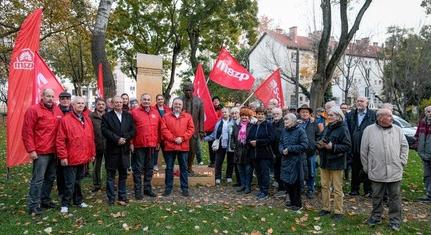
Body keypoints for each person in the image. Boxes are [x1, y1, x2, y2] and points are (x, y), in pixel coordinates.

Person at [361, 108, 409, 231]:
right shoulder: (369, 130)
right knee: (377, 196)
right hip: (376, 170)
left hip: (395, 169)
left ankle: (395, 220)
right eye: (388, 116)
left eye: (391, 116)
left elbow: (405, 146)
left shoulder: (398, 130)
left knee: (395, 197)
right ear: (380, 118)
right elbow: (363, 151)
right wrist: (367, 167)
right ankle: (376, 217)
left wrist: (402, 161)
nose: (391, 118)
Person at [22, 89, 63, 216]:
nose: (50, 98)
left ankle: (45, 200)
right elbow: (27, 132)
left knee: (50, 178)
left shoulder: (57, 110)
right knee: (38, 179)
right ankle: (33, 205)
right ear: (42, 96)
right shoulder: (33, 110)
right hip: (40, 151)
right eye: (48, 96)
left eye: (52, 96)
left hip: (53, 151)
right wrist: (31, 150)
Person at [56, 96, 95, 213]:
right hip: (70, 157)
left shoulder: (87, 119)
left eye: (83, 103)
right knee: (69, 183)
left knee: (78, 181)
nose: (81, 105)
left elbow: (91, 138)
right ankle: (65, 203)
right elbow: (60, 140)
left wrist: (92, 153)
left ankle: (78, 201)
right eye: (78, 103)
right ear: (72, 105)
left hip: (83, 157)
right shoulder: (65, 120)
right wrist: (63, 156)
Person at [317, 107, 351, 221]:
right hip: (325, 160)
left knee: (337, 188)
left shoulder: (343, 128)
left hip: (337, 161)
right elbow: (322, 139)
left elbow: (347, 146)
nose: (330, 117)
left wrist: (333, 147)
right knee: (325, 186)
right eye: (329, 115)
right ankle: (326, 208)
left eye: (332, 115)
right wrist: (320, 144)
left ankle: (338, 211)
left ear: (339, 116)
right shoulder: (327, 127)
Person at [101, 96, 136, 205]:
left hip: (124, 150)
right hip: (112, 150)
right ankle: (111, 198)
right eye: (116, 102)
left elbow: (133, 130)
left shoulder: (128, 116)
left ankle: (122, 196)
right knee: (111, 175)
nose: (119, 104)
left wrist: (125, 138)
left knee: (123, 174)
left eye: (120, 102)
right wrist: (117, 139)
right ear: (112, 103)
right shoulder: (106, 116)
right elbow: (104, 130)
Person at [160, 98, 195, 197]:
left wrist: (182, 138)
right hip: (170, 146)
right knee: (169, 168)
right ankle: (168, 188)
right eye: (176, 104)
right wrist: (173, 138)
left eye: (179, 104)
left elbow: (191, 129)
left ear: (182, 106)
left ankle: (184, 188)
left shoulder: (188, 116)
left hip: (183, 146)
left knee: (183, 168)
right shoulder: (166, 116)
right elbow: (164, 129)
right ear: (172, 105)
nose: (177, 106)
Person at [130, 93, 160, 199]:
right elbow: (130, 129)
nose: (146, 101)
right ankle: (138, 191)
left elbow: (158, 129)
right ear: (141, 100)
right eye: (144, 99)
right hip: (139, 145)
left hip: (152, 145)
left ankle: (147, 189)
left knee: (149, 168)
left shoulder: (155, 113)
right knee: (137, 169)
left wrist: (158, 142)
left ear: (150, 101)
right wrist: (131, 143)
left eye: (148, 99)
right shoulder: (134, 112)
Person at [346, 96, 376, 197]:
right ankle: (355, 189)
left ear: (367, 103)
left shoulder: (373, 115)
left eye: (362, 101)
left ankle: (368, 190)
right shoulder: (350, 115)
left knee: (367, 168)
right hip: (354, 146)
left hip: (368, 147)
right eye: (358, 101)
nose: (359, 103)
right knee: (355, 168)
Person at [279, 113, 308, 212]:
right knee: (287, 182)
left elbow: (304, 145)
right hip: (286, 160)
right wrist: (281, 149)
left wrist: (290, 149)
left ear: (293, 121)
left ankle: (298, 204)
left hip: (296, 161)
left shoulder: (300, 131)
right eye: (284, 120)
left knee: (295, 183)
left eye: (286, 120)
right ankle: (291, 201)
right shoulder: (284, 131)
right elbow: (281, 142)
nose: (285, 122)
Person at [248, 107, 275, 200]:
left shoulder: (268, 125)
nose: (260, 116)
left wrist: (258, 142)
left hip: (265, 154)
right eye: (259, 114)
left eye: (262, 114)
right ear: (256, 114)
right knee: (258, 172)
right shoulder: (253, 125)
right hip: (254, 153)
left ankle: (265, 191)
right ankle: (261, 189)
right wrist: (250, 142)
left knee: (264, 173)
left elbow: (271, 139)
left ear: (265, 115)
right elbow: (249, 137)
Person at [205, 108, 234, 184]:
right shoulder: (218, 123)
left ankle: (229, 176)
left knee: (230, 161)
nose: (224, 113)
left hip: (230, 145)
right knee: (218, 161)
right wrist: (205, 138)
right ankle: (218, 177)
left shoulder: (233, 122)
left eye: (225, 112)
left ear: (229, 113)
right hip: (220, 144)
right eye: (222, 112)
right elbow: (214, 135)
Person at [297, 104, 320, 199]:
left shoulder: (314, 123)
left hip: (311, 152)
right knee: (300, 171)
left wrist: (315, 145)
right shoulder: (297, 123)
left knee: (311, 171)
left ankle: (310, 189)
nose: (305, 113)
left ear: (310, 113)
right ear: (299, 113)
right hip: (299, 152)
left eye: (306, 112)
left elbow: (318, 136)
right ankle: (301, 188)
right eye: (303, 112)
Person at [181, 83, 204, 173]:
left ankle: (189, 167)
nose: (188, 92)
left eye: (190, 90)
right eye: (186, 90)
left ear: (193, 90)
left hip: (193, 130)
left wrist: (201, 130)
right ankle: (183, 166)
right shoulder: (179, 100)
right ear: (183, 91)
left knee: (192, 149)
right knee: (182, 150)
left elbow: (201, 118)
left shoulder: (199, 101)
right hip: (181, 130)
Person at [231, 108, 253, 193]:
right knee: (240, 170)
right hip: (238, 152)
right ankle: (243, 185)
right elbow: (232, 137)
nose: (244, 117)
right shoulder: (237, 126)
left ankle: (248, 186)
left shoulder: (252, 126)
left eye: (246, 116)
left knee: (248, 170)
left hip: (247, 151)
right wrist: (232, 145)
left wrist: (248, 143)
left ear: (249, 117)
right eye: (243, 115)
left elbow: (253, 137)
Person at [56, 91, 72, 200]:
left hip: (71, 145)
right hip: (58, 144)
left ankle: (70, 191)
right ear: (60, 100)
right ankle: (61, 191)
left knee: (70, 170)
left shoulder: (73, 111)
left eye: (67, 98)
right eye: (63, 98)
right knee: (59, 171)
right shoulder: (55, 111)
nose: (65, 100)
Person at [89, 98, 106, 192]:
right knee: (96, 167)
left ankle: (109, 183)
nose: (101, 106)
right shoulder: (90, 116)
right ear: (96, 105)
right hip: (96, 145)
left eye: (103, 104)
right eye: (99, 104)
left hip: (108, 146)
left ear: (105, 106)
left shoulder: (109, 115)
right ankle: (96, 184)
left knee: (109, 167)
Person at [415, 105, 431, 202]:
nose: (430, 113)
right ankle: (429, 194)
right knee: (427, 175)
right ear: (425, 113)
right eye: (428, 112)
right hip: (424, 154)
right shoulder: (422, 123)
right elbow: (417, 136)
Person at [153, 94, 171, 171]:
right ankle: (154, 164)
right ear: (156, 100)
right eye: (158, 99)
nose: (160, 100)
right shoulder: (153, 109)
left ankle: (168, 164)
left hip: (165, 132)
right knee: (156, 150)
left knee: (166, 149)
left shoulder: (168, 109)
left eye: (161, 99)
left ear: (164, 100)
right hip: (156, 132)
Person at [271, 108, 286, 197]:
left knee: (282, 170)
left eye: (277, 113)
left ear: (281, 114)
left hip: (282, 151)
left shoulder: (284, 123)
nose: (275, 115)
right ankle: (280, 187)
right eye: (274, 114)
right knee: (276, 170)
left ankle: (283, 189)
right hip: (273, 151)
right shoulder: (272, 124)